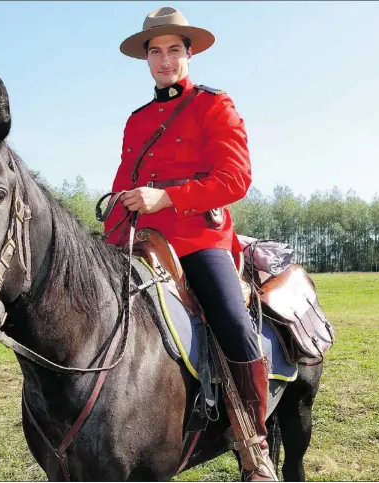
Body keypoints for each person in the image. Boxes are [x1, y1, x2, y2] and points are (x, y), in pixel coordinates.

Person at [102, 5, 277, 482]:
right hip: (143, 242)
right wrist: (107, 239)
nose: (164, 61)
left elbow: (235, 178)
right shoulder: (136, 121)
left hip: (200, 239)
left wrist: (168, 197)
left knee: (231, 320)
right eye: (155, 52)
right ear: (146, 59)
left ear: (189, 53)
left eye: (173, 50)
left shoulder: (214, 106)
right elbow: (123, 186)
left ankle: (252, 443)